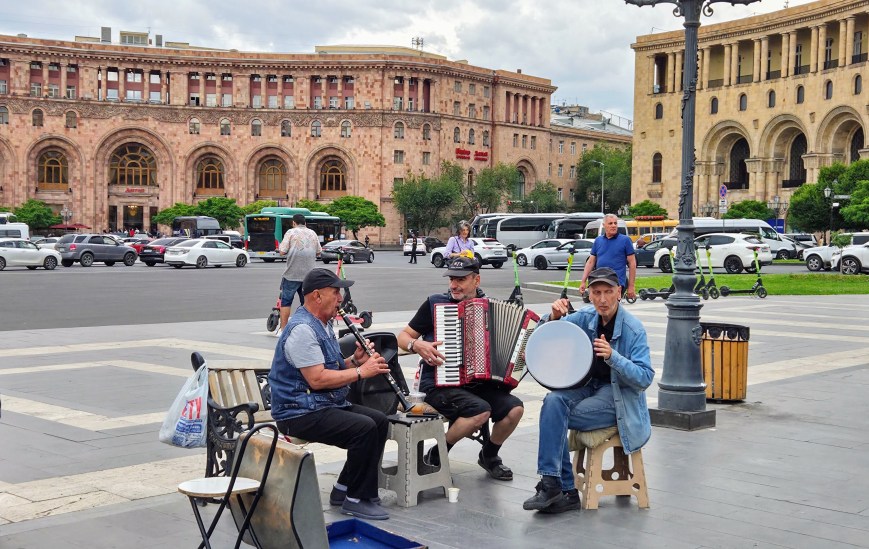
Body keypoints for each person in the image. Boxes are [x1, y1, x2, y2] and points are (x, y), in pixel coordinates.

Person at [523, 267, 654, 514]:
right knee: (553, 402)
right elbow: (546, 334)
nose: (602, 299)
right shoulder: (585, 317)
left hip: (618, 398)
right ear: (589, 295)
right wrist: (553, 317)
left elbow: (645, 378)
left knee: (555, 418)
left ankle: (564, 489)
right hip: (586, 388)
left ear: (619, 293)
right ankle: (554, 484)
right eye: (596, 293)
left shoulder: (633, 329)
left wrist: (613, 356)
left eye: (608, 292)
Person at [268, 268, 393, 520]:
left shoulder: (322, 325)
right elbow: (316, 379)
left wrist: (354, 362)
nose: (340, 298)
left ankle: (343, 489)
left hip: (320, 404)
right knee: (364, 428)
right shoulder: (302, 329)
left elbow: (329, 369)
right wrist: (362, 373)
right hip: (298, 412)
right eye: (335, 292)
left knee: (379, 421)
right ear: (317, 296)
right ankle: (356, 499)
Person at [398, 256, 523, 481]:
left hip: (478, 385)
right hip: (438, 383)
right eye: (451, 279)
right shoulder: (435, 303)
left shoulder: (489, 308)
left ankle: (489, 455)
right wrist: (416, 345)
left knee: (515, 410)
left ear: (476, 280)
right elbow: (402, 336)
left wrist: (518, 355)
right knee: (480, 410)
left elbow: (511, 346)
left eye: (461, 280)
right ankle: (438, 454)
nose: (454, 285)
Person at [278, 213, 322, 332]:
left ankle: (283, 329)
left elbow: (282, 251)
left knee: (286, 302)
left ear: (294, 223)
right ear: (305, 223)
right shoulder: (313, 233)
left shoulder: (291, 232)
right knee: (307, 303)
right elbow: (318, 252)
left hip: (292, 274)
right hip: (309, 276)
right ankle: (309, 328)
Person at [579, 214, 637, 300]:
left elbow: (632, 263)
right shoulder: (598, 240)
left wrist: (631, 286)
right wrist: (583, 281)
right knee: (600, 309)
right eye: (610, 223)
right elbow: (591, 262)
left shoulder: (625, 240)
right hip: (600, 281)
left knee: (610, 309)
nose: (613, 225)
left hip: (617, 283)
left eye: (615, 223)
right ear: (604, 225)